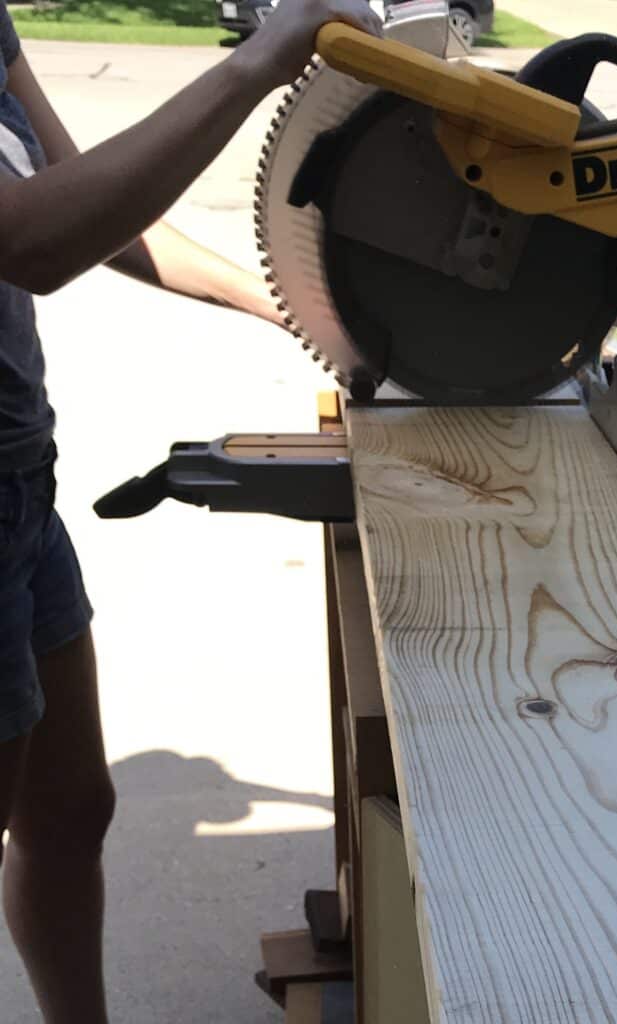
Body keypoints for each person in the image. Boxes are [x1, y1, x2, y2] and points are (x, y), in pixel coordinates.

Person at [0, 0, 382, 1020]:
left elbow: (95, 212)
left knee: (72, 810)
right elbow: (29, 241)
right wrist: (262, 59)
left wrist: (302, 309)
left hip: (20, 482)